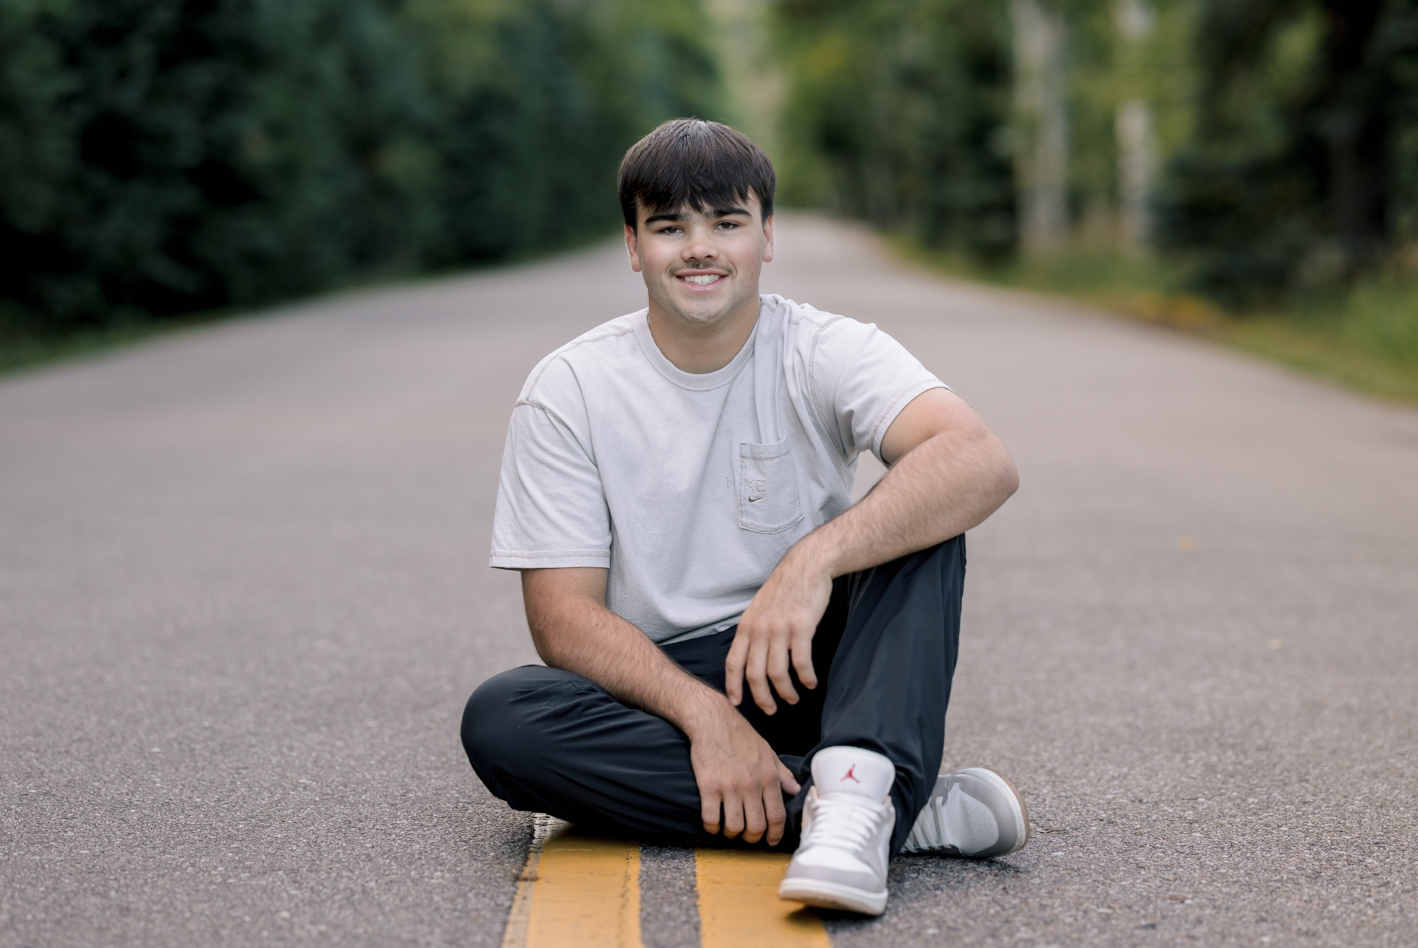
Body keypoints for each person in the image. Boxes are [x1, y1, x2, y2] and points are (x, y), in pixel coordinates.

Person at [461, 118, 1027, 917]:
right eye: (669, 228)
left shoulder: (824, 348)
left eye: (726, 222)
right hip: (665, 683)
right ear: (633, 246)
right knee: (505, 721)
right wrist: (705, 720)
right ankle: (875, 811)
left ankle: (859, 782)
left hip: (809, 658)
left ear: (767, 237)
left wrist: (809, 564)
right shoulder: (570, 389)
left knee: (924, 509)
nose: (700, 248)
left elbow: (980, 458)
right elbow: (562, 620)